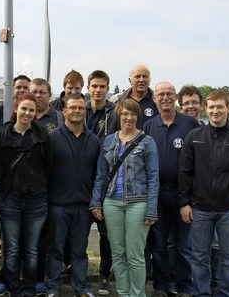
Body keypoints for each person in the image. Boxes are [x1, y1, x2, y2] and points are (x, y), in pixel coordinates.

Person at [179, 91, 229, 297]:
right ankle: (200, 293)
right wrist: (184, 203)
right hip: (199, 209)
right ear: (205, 108)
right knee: (199, 258)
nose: (215, 111)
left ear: (228, 108)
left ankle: (227, 293)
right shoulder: (194, 137)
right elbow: (185, 172)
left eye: (220, 107)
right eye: (211, 107)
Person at [90, 99, 159, 297]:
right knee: (118, 253)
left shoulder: (147, 142)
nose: (129, 118)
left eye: (133, 114)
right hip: (112, 202)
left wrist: (151, 209)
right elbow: (101, 175)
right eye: (125, 114)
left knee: (135, 255)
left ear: (137, 116)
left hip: (138, 203)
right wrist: (96, 201)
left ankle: (137, 294)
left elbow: (154, 178)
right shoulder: (109, 141)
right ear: (118, 115)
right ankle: (123, 292)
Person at [0, 93, 52, 297]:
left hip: (36, 199)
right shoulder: (1, 135)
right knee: (12, 248)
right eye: (24, 108)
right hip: (10, 199)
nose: (27, 113)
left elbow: (48, 167)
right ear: (16, 109)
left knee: (32, 249)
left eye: (31, 110)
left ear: (36, 113)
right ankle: (12, 287)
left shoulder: (43, 136)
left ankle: (29, 286)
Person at [143, 82, 199, 296]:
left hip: (183, 195)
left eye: (169, 94)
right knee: (159, 245)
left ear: (175, 97)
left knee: (184, 246)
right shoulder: (148, 126)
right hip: (156, 195)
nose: (165, 97)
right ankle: (161, 286)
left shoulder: (190, 124)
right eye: (160, 94)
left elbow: (200, 159)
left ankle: (184, 286)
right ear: (155, 98)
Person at [45, 94, 101, 297]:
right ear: (65, 111)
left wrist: (95, 201)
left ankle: (82, 287)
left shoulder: (94, 140)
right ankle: (52, 287)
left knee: (79, 251)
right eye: (72, 108)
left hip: (83, 206)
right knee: (55, 250)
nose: (77, 111)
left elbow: (98, 174)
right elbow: (46, 172)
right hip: (57, 204)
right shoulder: (52, 138)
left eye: (80, 108)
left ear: (84, 112)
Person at [84, 70, 117, 296]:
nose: (98, 90)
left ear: (107, 88)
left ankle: (105, 274)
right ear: (88, 87)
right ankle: (77, 273)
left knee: (106, 234)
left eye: (102, 86)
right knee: (78, 231)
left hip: (107, 182)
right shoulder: (80, 109)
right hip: (81, 180)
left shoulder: (114, 114)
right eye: (94, 86)